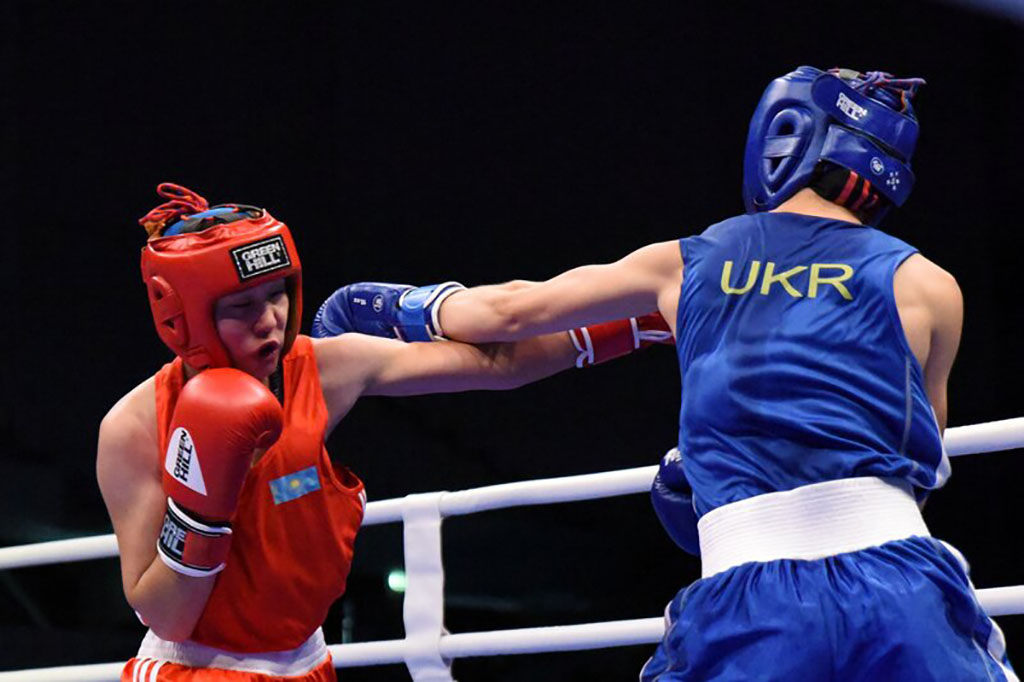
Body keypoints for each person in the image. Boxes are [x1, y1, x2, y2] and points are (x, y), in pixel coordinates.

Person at [321, 67, 1017, 680]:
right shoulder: (932, 287)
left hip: (753, 597)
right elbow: (918, 467)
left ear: (782, 137)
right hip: (903, 584)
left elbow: (507, 320)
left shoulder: (691, 266)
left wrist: (394, 309)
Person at [96, 183, 671, 681]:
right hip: (194, 668)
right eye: (243, 306)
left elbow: (499, 363)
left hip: (308, 661)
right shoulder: (134, 427)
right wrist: (200, 515)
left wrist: (651, 314)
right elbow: (166, 616)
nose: (270, 319)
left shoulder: (323, 369)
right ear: (186, 317)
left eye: (277, 294)